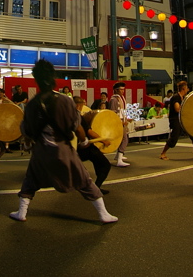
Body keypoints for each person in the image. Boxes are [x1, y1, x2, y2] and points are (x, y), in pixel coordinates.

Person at [9, 60, 117, 223]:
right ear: (53, 78)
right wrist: (84, 142)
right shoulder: (64, 100)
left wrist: (29, 141)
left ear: (36, 80)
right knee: (84, 181)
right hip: (63, 151)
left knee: (30, 181)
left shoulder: (32, 105)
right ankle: (103, 214)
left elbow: (27, 131)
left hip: (41, 152)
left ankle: (21, 212)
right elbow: (77, 127)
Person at [74, 97, 112, 195]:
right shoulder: (78, 116)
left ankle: (93, 186)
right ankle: (96, 189)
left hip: (74, 148)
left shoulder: (66, 115)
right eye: (83, 104)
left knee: (97, 163)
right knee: (105, 165)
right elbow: (88, 131)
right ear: (79, 105)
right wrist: (104, 140)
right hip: (85, 147)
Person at [160, 81, 193, 160]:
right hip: (175, 119)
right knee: (174, 137)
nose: (188, 89)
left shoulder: (184, 97)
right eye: (186, 88)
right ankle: (163, 153)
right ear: (183, 88)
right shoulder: (176, 97)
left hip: (182, 119)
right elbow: (177, 109)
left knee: (192, 131)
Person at [107, 82, 131, 167]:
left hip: (122, 120)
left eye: (123, 89)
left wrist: (126, 118)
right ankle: (119, 159)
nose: (122, 91)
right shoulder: (114, 99)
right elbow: (113, 113)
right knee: (124, 139)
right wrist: (120, 122)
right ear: (116, 90)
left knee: (123, 138)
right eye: (121, 89)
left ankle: (118, 156)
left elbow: (122, 111)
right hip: (119, 122)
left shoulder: (120, 98)